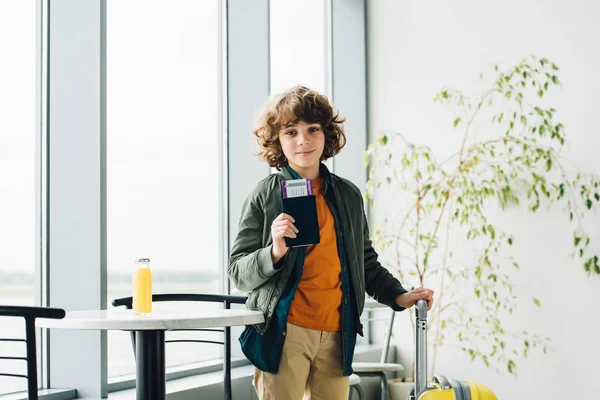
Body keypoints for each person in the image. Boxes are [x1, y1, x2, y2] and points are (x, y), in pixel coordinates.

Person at [228, 85, 434, 400]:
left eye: (313, 129)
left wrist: (399, 295)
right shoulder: (264, 194)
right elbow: (237, 272)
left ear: (327, 135)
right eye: (291, 131)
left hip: (338, 335)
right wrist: (274, 251)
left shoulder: (348, 195)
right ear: (277, 140)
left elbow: (365, 263)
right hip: (285, 333)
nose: (303, 140)